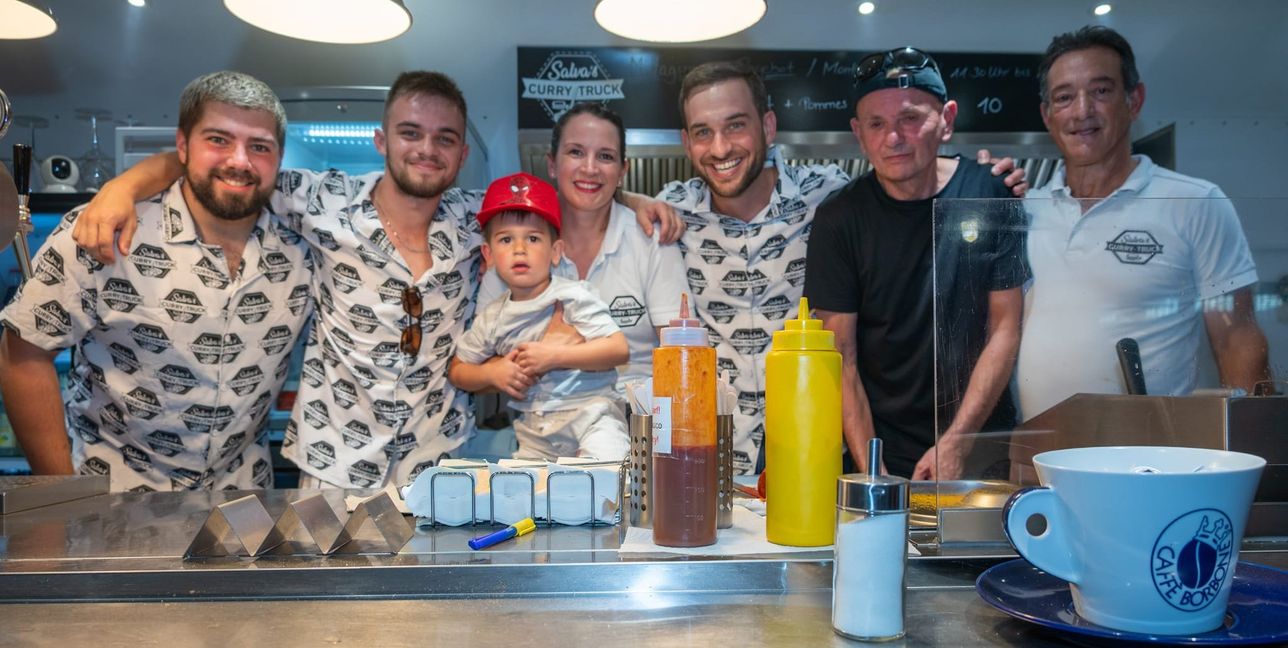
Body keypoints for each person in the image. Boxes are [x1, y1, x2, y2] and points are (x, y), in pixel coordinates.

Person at [70, 72, 680, 489]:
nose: (426, 150)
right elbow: (229, 168)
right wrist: (121, 187)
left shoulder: (482, 223)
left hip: (440, 463)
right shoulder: (323, 199)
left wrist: (632, 196)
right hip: (333, 463)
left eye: (445, 139)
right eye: (410, 134)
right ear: (382, 140)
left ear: (462, 153)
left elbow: (563, 203)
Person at [659, 60, 1027, 474]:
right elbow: (606, 203)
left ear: (767, 126)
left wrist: (992, 181)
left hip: (808, 448)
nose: (721, 148)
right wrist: (631, 201)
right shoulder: (669, 211)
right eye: (703, 132)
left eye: (735, 125)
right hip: (714, 447)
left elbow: (915, 177)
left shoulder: (826, 196)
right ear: (686, 143)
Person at [0, 71, 313, 491]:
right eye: (218, 140)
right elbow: (23, 353)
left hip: (243, 504)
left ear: (279, 157)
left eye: (259, 146)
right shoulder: (102, 233)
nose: (239, 161)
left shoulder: (303, 249)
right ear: (182, 145)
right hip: (111, 498)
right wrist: (60, 495)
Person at [1016, 26, 1271, 418]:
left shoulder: (1195, 202)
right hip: (1033, 454)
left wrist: (1257, 453)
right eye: (1064, 97)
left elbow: (1237, 339)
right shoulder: (1023, 209)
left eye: (1101, 91)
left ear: (1134, 101)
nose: (1082, 110)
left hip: (1150, 457)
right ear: (1048, 117)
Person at [804, 47, 1028, 480]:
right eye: (877, 124)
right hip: (880, 451)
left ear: (947, 119)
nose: (893, 138)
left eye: (910, 118)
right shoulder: (840, 219)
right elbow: (841, 358)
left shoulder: (990, 193)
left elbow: (1005, 327)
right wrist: (875, 472)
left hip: (981, 448)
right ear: (858, 133)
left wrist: (958, 441)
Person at [477, 104, 686, 398]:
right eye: (576, 152)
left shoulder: (651, 239)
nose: (590, 168)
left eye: (605, 156)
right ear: (552, 163)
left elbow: (681, 353)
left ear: (623, 170)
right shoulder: (516, 245)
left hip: (637, 424)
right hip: (545, 428)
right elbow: (478, 369)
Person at [450, 173, 630, 461]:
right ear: (489, 254)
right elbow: (458, 370)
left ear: (555, 251)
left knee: (605, 481)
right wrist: (491, 373)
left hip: (593, 418)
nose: (519, 249)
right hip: (535, 436)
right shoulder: (492, 318)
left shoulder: (574, 296)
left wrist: (555, 356)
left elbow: (618, 349)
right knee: (527, 499)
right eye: (506, 239)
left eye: (533, 238)